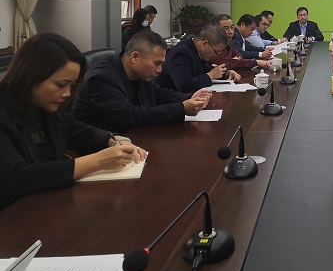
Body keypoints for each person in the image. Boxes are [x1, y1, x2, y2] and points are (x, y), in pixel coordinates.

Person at [0, 33, 147, 210]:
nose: (67, 93)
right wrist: (96, 162)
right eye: (60, 84)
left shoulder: (44, 107)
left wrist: (114, 140)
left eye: (71, 85)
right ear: (30, 76)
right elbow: (14, 178)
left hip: (47, 206)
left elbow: (79, 131)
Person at [73, 30, 210, 133]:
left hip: (133, 137)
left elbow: (157, 93)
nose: (160, 70)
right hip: (103, 148)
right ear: (135, 57)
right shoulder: (102, 78)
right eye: (157, 63)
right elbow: (128, 116)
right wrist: (182, 108)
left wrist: (189, 98)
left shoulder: (138, 73)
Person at [154, 25, 240, 93]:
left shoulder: (195, 49)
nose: (216, 55)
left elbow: (204, 69)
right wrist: (210, 76)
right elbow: (184, 85)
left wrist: (225, 73)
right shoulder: (182, 53)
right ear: (204, 43)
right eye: (216, 52)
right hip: (167, 101)